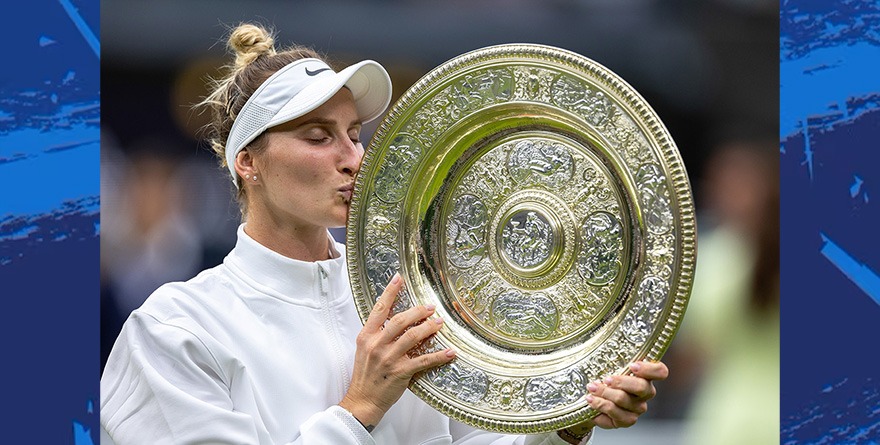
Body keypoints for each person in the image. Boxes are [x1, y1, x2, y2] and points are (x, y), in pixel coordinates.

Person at [100, 23, 669, 445]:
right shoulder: (173, 329)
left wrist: (565, 420)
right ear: (247, 162)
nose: (354, 158)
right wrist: (360, 408)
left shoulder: (415, 298)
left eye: (354, 133)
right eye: (318, 137)